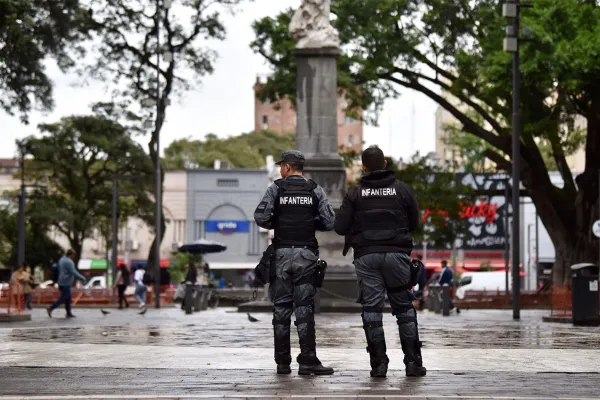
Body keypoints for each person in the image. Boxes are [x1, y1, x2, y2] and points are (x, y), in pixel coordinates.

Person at [334, 146, 426, 378]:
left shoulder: (355, 193)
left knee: (372, 310)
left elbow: (340, 227)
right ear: (384, 163)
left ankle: (378, 365)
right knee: (404, 307)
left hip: (366, 257)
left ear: (364, 167)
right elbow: (415, 222)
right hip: (397, 255)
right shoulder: (402, 190)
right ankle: (413, 363)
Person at [254, 150, 336, 376]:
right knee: (304, 309)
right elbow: (330, 221)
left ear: (288, 167)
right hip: (306, 255)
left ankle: (282, 363)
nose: (280, 169)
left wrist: (277, 221)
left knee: (281, 309)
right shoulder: (314, 189)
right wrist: (311, 222)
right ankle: (308, 361)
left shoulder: (276, 189)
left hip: (281, 255)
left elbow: (260, 217)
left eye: (282, 166)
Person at [47, 250, 86, 318]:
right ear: (71, 254)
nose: (74, 257)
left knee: (68, 298)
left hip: (61, 281)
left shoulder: (61, 260)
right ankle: (51, 307)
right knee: (64, 297)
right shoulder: (69, 262)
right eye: (74, 255)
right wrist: (81, 277)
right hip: (66, 282)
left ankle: (68, 313)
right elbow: (73, 271)